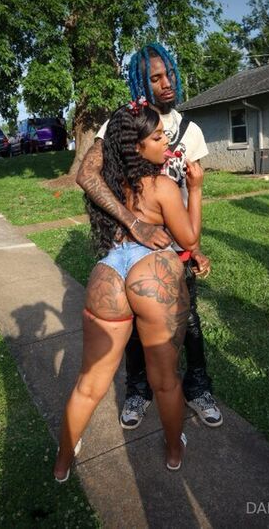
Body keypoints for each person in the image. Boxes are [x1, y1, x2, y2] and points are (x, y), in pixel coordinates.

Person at [54, 102, 204, 481]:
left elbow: (89, 179)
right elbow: (189, 239)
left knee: (89, 384)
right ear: (137, 147)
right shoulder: (162, 186)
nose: (166, 140)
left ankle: (62, 461)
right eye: (157, 137)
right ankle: (174, 450)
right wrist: (196, 189)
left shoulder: (112, 184)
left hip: (108, 273)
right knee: (165, 381)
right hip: (151, 275)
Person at [77, 43, 223, 429]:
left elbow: (189, 191)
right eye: (155, 78)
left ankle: (198, 387)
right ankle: (138, 390)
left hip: (177, 247)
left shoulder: (190, 132)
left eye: (169, 73)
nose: (166, 83)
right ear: (140, 82)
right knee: (133, 329)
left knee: (189, 323)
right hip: (133, 248)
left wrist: (195, 248)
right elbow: (87, 175)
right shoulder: (122, 122)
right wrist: (134, 223)